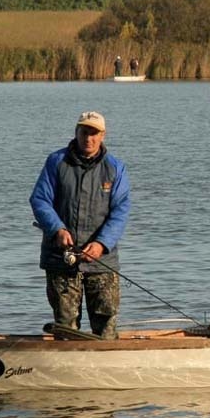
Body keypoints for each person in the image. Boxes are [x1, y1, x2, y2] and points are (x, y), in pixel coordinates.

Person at [30, 111, 131, 339]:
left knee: (106, 327)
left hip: (102, 261)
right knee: (65, 327)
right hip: (61, 258)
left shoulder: (116, 168)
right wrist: (57, 228)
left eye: (94, 133)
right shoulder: (56, 162)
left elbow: (121, 211)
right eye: (84, 132)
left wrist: (101, 244)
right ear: (76, 132)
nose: (89, 138)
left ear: (103, 135)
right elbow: (39, 199)